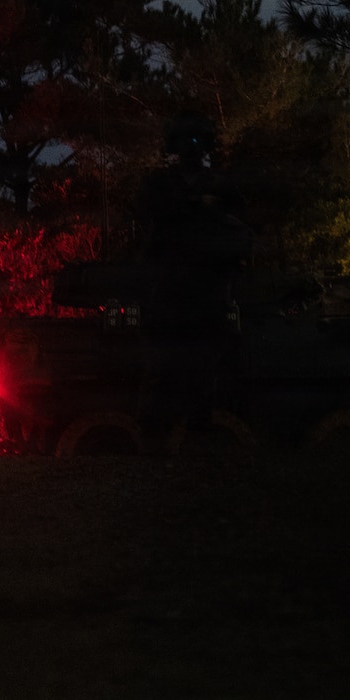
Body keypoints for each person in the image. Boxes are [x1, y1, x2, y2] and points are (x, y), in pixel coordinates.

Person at [135, 113, 254, 454]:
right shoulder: (163, 186)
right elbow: (148, 217)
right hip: (175, 293)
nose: (191, 149)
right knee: (167, 375)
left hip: (202, 293)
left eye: (195, 142)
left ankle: (193, 446)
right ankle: (160, 449)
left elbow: (240, 231)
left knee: (197, 379)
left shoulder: (218, 186)